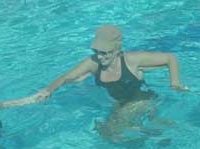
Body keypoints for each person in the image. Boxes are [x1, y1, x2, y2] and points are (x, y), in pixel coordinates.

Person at [35, 25, 186, 140]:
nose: (100, 57)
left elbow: (170, 58)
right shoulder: (93, 62)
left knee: (109, 133)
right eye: (97, 52)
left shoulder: (132, 60)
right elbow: (66, 77)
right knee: (103, 132)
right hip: (120, 104)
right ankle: (150, 132)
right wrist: (49, 90)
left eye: (105, 52)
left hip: (142, 100)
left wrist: (175, 83)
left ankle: (151, 133)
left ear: (116, 51)